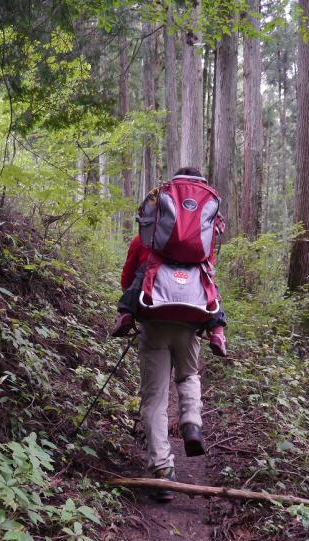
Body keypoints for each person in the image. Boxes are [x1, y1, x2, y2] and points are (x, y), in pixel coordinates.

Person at [114, 167, 224, 502]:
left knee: (155, 399)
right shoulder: (203, 245)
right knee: (189, 375)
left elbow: (127, 281)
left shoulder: (144, 241)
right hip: (190, 323)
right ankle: (191, 422)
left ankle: (162, 471)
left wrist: (132, 310)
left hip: (154, 321)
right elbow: (208, 281)